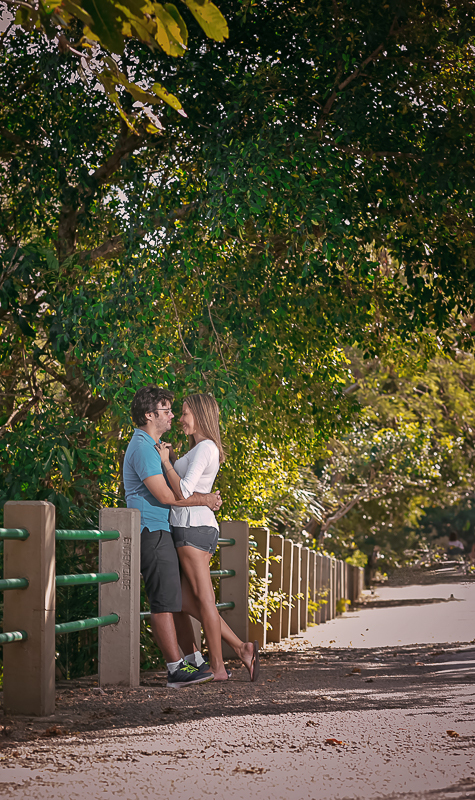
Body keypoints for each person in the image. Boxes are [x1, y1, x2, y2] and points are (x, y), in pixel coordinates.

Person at [123, 384, 222, 689]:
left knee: (172, 597)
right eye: (166, 410)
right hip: (150, 529)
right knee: (163, 602)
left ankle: (193, 662)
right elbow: (167, 496)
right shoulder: (141, 447)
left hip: (161, 528)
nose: (172, 416)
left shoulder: (154, 446)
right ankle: (175, 669)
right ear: (150, 414)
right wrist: (204, 500)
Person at [157, 393, 259, 682]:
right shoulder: (196, 450)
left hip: (194, 529)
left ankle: (218, 668)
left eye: (185, 413)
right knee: (185, 601)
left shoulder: (206, 448)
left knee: (204, 599)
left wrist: (165, 463)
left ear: (200, 415)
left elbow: (184, 492)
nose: (180, 419)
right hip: (188, 528)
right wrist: (173, 460)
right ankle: (242, 647)